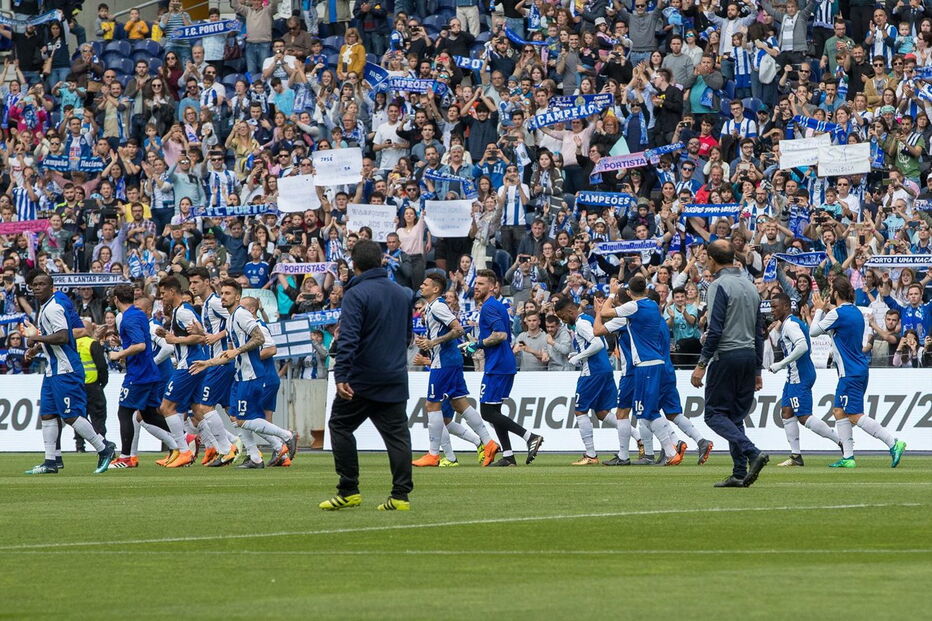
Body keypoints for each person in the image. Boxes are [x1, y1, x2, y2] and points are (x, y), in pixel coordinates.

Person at [320, 240, 414, 511]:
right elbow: (407, 336)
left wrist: (341, 374)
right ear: (382, 260)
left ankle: (349, 489)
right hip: (395, 375)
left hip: (362, 377)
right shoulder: (402, 293)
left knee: (340, 425)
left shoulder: (356, 294)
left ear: (354, 264)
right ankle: (400, 496)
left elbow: (348, 338)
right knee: (397, 436)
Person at [191, 279, 296, 469]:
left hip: (251, 375)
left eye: (228, 293)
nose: (223, 297)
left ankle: (286, 436)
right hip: (239, 377)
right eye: (222, 293)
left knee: (242, 419)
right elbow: (228, 354)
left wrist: (238, 351)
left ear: (237, 297)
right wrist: (208, 363)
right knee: (236, 418)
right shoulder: (230, 319)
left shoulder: (241, 315)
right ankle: (255, 457)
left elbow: (260, 338)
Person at [690, 240, 769, 488]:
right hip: (747, 357)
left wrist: (701, 364)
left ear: (712, 261)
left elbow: (715, 330)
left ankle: (752, 452)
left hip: (727, 355)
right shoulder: (750, 286)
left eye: (705, 258)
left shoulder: (718, 286)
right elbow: (759, 332)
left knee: (714, 415)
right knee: (735, 416)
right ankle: (738, 472)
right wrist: (757, 369)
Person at [21, 270, 115, 474]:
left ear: (51, 286)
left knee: (71, 415)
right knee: (47, 414)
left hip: (66, 369)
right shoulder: (47, 305)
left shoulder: (53, 307)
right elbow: (52, 335)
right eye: (34, 286)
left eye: (41, 284)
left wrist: (35, 338)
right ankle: (51, 460)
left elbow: (63, 336)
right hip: (52, 369)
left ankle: (104, 448)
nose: (36, 288)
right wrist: (36, 347)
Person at [810, 277, 907, 468]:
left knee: (854, 414)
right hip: (858, 369)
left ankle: (893, 443)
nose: (830, 292)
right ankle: (848, 457)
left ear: (836, 293)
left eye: (831, 289)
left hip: (850, 372)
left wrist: (820, 309)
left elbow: (813, 331)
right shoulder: (854, 311)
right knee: (839, 411)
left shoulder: (837, 313)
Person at [411, 272, 497, 468]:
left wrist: (433, 342)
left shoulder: (438, 306)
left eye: (425, 284)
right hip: (449, 361)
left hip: (444, 362)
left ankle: (433, 454)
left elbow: (458, 329)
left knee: (432, 406)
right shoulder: (432, 306)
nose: (421, 286)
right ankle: (488, 443)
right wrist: (428, 343)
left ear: (435, 289)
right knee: (460, 404)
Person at [461, 269, 544, 467]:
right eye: (476, 283)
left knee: (487, 413)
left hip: (497, 365)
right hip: (502, 363)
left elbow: (501, 335)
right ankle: (508, 456)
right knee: (494, 411)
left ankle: (530, 436)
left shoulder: (489, 307)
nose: (476, 286)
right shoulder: (495, 306)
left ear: (492, 287)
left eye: (481, 284)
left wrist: (478, 344)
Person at [599, 276, 684, 467]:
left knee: (647, 412)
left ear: (629, 293)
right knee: (646, 412)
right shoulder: (653, 306)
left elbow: (605, 313)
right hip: (654, 363)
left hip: (645, 364)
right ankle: (671, 450)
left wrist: (612, 292)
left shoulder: (633, 307)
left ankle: (672, 451)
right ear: (646, 290)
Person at [107, 285, 178, 469]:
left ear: (116, 300)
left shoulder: (128, 318)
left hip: (138, 374)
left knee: (124, 412)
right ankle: (185, 438)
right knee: (149, 415)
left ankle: (126, 458)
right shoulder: (139, 315)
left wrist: (119, 353)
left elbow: (140, 345)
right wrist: (123, 342)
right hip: (150, 373)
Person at [767, 293, 841, 466]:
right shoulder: (787, 323)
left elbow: (803, 346)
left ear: (786, 307)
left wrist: (780, 364)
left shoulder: (790, 325)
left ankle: (841, 442)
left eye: (775, 306)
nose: (772, 310)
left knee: (803, 416)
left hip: (800, 375)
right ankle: (796, 456)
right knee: (786, 412)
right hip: (793, 375)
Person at [553, 295, 619, 465]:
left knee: (580, 411)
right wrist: (578, 354)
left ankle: (591, 455)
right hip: (604, 369)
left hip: (592, 372)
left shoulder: (581, 323)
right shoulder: (588, 319)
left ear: (570, 310)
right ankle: (638, 437)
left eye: (562, 316)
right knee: (602, 412)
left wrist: (578, 358)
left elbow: (597, 344)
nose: (563, 320)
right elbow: (598, 344)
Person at [186, 267, 239, 467]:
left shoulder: (216, 302)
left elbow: (235, 318)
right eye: (190, 283)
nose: (192, 286)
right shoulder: (207, 305)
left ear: (207, 282)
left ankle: (227, 449)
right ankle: (277, 443)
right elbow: (211, 334)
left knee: (203, 406)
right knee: (231, 412)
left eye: (196, 282)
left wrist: (219, 335)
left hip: (221, 361)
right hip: (217, 360)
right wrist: (202, 332)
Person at [152, 276, 205, 468]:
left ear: (173, 291)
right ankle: (223, 447)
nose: (162, 297)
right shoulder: (178, 312)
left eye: (164, 293)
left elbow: (200, 337)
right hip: (190, 363)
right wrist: (167, 335)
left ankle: (183, 451)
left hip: (188, 364)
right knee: (198, 408)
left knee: (167, 407)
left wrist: (175, 340)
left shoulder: (183, 311)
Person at [73, 319, 109, 453]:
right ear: (88, 330)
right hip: (93, 386)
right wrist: (102, 383)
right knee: (98, 415)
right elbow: (102, 366)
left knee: (79, 417)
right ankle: (102, 442)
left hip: (77, 386)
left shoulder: (72, 345)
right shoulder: (92, 344)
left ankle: (79, 445)